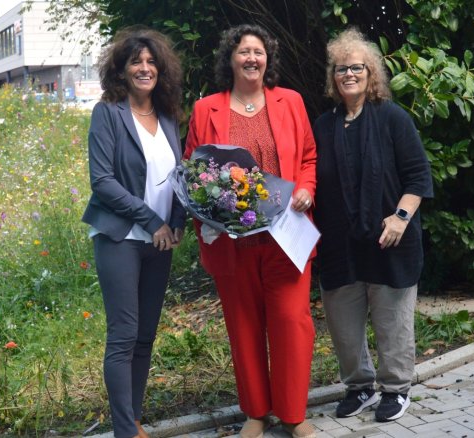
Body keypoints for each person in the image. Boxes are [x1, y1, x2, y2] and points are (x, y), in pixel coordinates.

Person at [184, 24, 318, 438]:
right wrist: (207, 212)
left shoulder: (290, 102)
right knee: (243, 326)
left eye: (258, 52)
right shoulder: (206, 109)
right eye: (244, 51)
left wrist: (306, 190)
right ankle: (256, 412)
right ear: (231, 58)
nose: (251, 59)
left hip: (286, 237)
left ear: (268, 59)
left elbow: (309, 157)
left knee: (291, 323)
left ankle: (294, 415)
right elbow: (192, 172)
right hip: (233, 242)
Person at [312, 28, 433, 423]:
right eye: (341, 68)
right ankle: (359, 386)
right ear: (333, 77)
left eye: (357, 68)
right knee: (343, 325)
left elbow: (417, 177)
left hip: (389, 240)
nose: (349, 74)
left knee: (392, 321)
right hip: (340, 245)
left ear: (372, 73)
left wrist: (401, 217)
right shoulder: (324, 126)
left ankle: (396, 389)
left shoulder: (393, 118)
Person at [81, 27, 186, 438]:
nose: (144, 68)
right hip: (121, 238)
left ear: (160, 69)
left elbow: (179, 175)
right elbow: (102, 182)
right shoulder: (107, 112)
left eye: (150, 61)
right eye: (135, 62)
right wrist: (151, 220)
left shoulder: (168, 115)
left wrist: (175, 222)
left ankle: (134, 421)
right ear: (121, 70)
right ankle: (125, 431)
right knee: (123, 337)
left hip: (161, 241)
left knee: (145, 337)